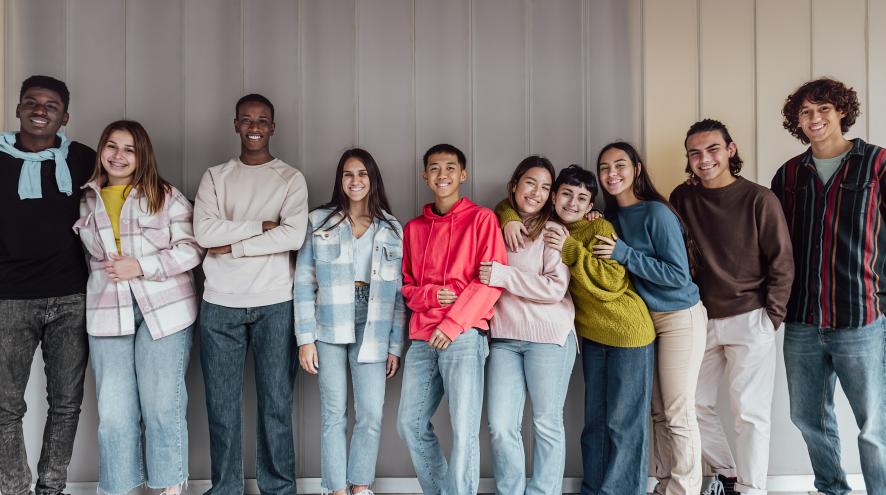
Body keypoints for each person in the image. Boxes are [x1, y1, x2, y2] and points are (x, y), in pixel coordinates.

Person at [496, 162, 656, 494]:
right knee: (595, 423)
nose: (572, 203)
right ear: (553, 196)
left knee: (622, 423)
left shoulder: (597, 228)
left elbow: (613, 281)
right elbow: (508, 204)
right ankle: (593, 488)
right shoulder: (545, 222)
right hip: (592, 333)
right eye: (566, 194)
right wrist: (509, 216)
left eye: (581, 199)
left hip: (626, 329)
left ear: (590, 206)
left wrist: (571, 249)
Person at [73, 120, 203, 495]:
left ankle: (168, 487)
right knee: (114, 415)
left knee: (162, 406)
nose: (118, 155)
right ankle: (119, 488)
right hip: (106, 312)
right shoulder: (86, 198)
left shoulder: (165, 195)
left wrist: (141, 266)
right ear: (101, 151)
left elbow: (193, 248)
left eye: (129, 149)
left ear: (142, 155)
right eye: (111, 146)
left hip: (165, 311)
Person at [771, 77, 886, 495]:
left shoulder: (878, 164)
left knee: (874, 423)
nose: (814, 118)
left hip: (860, 318)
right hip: (801, 319)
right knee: (807, 417)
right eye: (805, 112)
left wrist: (882, 300)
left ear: (841, 112)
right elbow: (775, 247)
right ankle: (832, 488)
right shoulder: (786, 176)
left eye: (823, 109)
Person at [670, 119, 794, 495]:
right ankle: (726, 472)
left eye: (712, 149)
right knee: (691, 405)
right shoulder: (683, 198)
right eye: (695, 153)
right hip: (699, 318)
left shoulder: (760, 198)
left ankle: (751, 488)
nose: (704, 159)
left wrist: (771, 317)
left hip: (751, 317)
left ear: (731, 149)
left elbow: (782, 262)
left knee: (750, 413)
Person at [194, 93, 309, 495]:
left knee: (276, 406)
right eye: (246, 119)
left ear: (273, 127)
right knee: (221, 407)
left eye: (262, 120)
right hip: (219, 303)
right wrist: (262, 226)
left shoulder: (290, 178)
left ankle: (278, 488)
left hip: (275, 302)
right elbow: (204, 234)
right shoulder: (215, 177)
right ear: (236, 125)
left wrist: (237, 245)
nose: (254, 126)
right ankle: (225, 487)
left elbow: (294, 235)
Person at [593, 142, 707, 495]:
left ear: (637, 170)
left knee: (677, 410)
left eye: (620, 165)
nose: (612, 174)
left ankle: (684, 488)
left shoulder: (656, 213)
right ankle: (663, 484)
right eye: (605, 168)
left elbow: (678, 275)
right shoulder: (610, 220)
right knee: (656, 410)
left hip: (678, 316)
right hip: (643, 322)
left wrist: (624, 253)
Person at [0, 75, 95, 495]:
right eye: (31, 102)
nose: (40, 110)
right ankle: (16, 489)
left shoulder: (83, 159)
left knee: (66, 404)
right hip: (8, 299)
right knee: (4, 406)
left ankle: (51, 488)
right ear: (18, 108)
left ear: (65, 116)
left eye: (51, 105)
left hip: (71, 298)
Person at [396, 143, 507, 495]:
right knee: (408, 425)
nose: (441, 174)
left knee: (464, 429)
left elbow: (491, 283)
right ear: (424, 177)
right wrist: (431, 296)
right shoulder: (413, 229)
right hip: (421, 338)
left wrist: (452, 323)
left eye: (449, 167)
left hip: (463, 335)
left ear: (463, 174)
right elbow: (407, 286)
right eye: (434, 168)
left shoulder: (482, 219)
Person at [294, 148, 405, 495]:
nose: (355, 181)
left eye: (362, 174)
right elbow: (302, 282)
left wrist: (395, 345)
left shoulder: (391, 227)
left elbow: (400, 294)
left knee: (370, 413)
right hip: (328, 320)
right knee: (333, 412)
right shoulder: (319, 221)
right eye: (348, 174)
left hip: (374, 322)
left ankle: (359, 487)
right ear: (340, 180)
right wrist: (305, 338)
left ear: (372, 180)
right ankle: (336, 490)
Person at [480, 156, 576, 494]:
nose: (536, 192)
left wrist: (504, 275)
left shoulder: (553, 231)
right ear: (514, 185)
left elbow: (555, 288)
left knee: (546, 423)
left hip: (548, 337)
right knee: (501, 426)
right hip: (504, 338)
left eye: (545, 187)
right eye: (530, 183)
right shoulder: (493, 224)